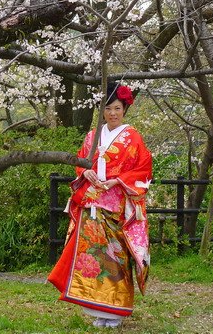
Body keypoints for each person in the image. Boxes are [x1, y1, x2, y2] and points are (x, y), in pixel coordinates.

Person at [48, 82, 153, 329]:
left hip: (117, 206)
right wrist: (86, 174)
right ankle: (96, 308)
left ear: (124, 109)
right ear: (102, 111)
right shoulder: (92, 136)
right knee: (92, 257)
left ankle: (115, 310)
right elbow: (82, 161)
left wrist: (119, 179)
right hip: (93, 204)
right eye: (108, 109)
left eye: (117, 108)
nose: (113, 113)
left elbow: (143, 169)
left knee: (115, 259)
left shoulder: (133, 137)